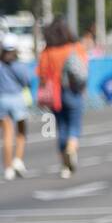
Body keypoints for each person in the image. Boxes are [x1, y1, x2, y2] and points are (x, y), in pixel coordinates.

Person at [36, 17, 88, 178]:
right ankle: (71, 149)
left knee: (61, 128)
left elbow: (42, 74)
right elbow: (84, 69)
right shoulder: (75, 47)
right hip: (73, 91)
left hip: (55, 95)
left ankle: (64, 166)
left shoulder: (47, 51)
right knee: (74, 125)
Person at [1, 34, 31, 180]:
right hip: (16, 98)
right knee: (21, 131)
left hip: (1, 100)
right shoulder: (18, 65)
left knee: (7, 134)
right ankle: (18, 160)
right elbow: (26, 81)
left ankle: (7, 168)